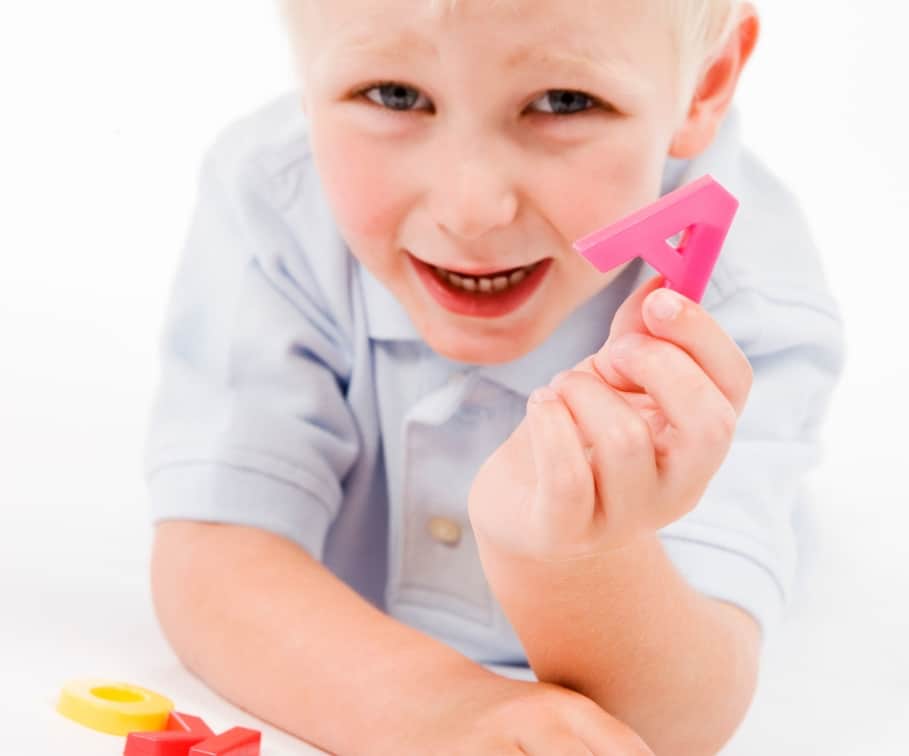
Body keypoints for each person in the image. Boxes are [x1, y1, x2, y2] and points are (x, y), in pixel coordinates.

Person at [144, 1, 845, 753]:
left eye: (564, 102)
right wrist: (434, 709)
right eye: (394, 95)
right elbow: (212, 562)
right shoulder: (274, 202)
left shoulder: (743, 303)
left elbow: (680, 721)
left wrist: (578, 556)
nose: (470, 209)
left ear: (705, 83)